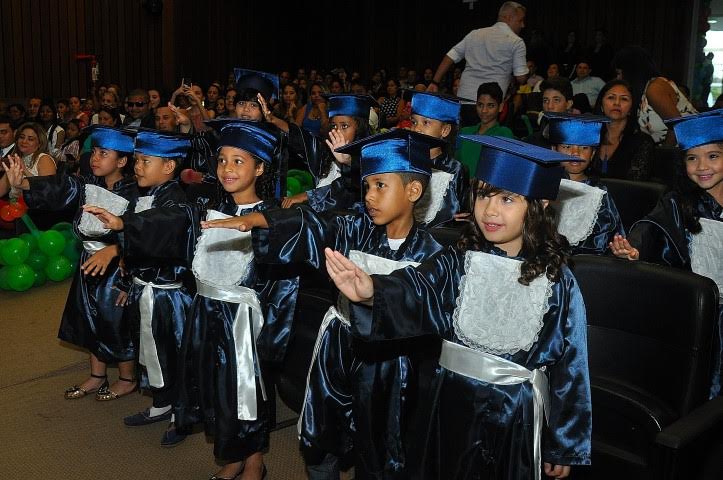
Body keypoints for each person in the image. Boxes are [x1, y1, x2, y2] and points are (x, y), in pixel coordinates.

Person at [324, 135, 591, 479]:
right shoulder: (458, 262)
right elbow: (418, 289)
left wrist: (564, 443)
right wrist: (372, 291)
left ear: (538, 205)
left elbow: (572, 367)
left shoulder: (559, 281)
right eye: (483, 195)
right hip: (448, 403)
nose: (490, 211)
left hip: (514, 415)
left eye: (507, 199)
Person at [202, 128, 447, 479]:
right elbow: (311, 225)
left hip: (394, 365)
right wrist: (259, 220)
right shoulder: (353, 229)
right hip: (338, 346)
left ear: (413, 190)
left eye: (381, 186)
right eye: (366, 186)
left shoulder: (433, 255)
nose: (370, 196)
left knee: (384, 443)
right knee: (322, 434)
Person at [85, 121, 290, 480]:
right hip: (206, 314)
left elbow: (283, 282)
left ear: (260, 167)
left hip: (245, 323)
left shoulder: (273, 217)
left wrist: (268, 334)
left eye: (239, 161)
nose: (227, 168)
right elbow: (169, 222)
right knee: (216, 393)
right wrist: (123, 226)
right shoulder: (207, 208)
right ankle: (231, 455)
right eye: (223, 160)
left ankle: (254, 458)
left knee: (248, 394)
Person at [5, 126, 139, 402]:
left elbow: (140, 234)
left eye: (104, 154)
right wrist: (25, 183)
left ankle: (127, 378)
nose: (95, 159)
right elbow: (60, 188)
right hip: (87, 262)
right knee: (89, 317)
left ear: (123, 161)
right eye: (95, 153)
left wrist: (121, 263)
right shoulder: (87, 184)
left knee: (116, 322)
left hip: (117, 267)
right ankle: (97, 375)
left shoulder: (135, 193)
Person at [84, 130, 194, 447]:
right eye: (139, 160)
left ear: (170, 167)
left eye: (146, 161)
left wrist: (123, 227)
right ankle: (162, 404)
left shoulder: (176, 200)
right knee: (152, 352)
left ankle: (180, 416)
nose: (138, 167)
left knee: (172, 354)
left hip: (169, 294)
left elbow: (162, 226)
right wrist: (127, 280)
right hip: (145, 287)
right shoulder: (146, 194)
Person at [610, 110, 722, 399]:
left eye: (713, 156)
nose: (702, 166)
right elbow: (650, 230)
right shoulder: (678, 204)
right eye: (691, 158)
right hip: (700, 320)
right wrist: (633, 249)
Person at [428, 2, 528, 126]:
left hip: (463, 101)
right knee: (485, 142)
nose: (523, 25)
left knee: (462, 140)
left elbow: (450, 56)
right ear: (508, 17)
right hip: (489, 106)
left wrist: (434, 82)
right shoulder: (516, 42)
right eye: (521, 20)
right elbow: (521, 77)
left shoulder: (474, 34)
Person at [545, 112, 625, 255]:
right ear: (554, 150)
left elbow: (610, 237)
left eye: (584, 148)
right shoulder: (543, 185)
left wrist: (619, 251)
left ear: (593, 153)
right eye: (567, 147)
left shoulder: (599, 193)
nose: (576, 153)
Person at [406, 90, 471, 227]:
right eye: (414, 122)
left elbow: (461, 213)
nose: (416, 129)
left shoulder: (455, 169)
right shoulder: (404, 161)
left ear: (445, 130)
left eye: (426, 123)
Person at [612, 45, 697, 144]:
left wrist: (662, 156)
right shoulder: (643, 90)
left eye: (619, 73)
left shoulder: (654, 88)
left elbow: (677, 127)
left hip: (687, 149)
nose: (618, 78)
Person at [592, 80, 655, 181]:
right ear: (601, 105)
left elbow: (636, 184)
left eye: (624, 99)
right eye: (611, 97)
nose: (617, 103)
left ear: (631, 108)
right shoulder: (589, 136)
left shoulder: (642, 142)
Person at [457, 82, 515, 174]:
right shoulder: (464, 132)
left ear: (500, 107)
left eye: (490, 105)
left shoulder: (504, 134)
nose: (484, 110)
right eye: (480, 105)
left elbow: (506, 169)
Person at [0, 122, 57, 199]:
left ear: (40, 143)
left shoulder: (44, 159)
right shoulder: (16, 159)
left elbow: (47, 190)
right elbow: (1, 189)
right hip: (14, 206)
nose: (24, 141)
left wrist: (25, 170)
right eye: (22, 137)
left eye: (30, 139)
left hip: (36, 209)